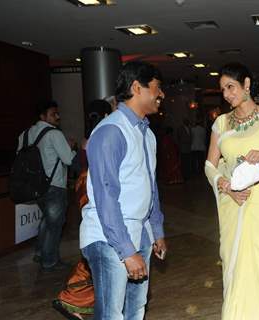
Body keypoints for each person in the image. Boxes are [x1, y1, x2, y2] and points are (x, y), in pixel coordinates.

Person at [205, 62, 259, 319]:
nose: (226, 94)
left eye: (230, 87)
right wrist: (226, 186)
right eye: (222, 90)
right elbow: (210, 165)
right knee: (234, 266)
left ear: (246, 85)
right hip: (234, 204)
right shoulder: (221, 124)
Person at [79, 61, 167, 320]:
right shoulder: (110, 131)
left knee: (136, 308)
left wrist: (156, 231)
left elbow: (150, 186)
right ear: (137, 87)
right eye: (157, 88)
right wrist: (127, 251)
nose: (161, 95)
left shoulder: (147, 134)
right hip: (109, 236)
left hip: (139, 231)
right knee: (111, 315)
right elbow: (106, 198)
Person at [52, 99, 114, 320]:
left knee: (98, 248)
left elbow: (77, 164)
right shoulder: (105, 136)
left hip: (83, 188)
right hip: (94, 190)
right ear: (106, 115)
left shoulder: (87, 138)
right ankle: (72, 297)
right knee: (102, 248)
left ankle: (74, 298)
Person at [17, 100, 76, 272]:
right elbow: (69, 159)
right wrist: (71, 147)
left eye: (57, 113)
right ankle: (49, 260)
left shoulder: (25, 134)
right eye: (53, 114)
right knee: (55, 224)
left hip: (34, 186)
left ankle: (40, 252)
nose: (57, 117)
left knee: (47, 220)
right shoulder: (54, 134)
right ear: (42, 116)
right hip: (54, 186)